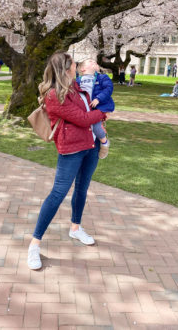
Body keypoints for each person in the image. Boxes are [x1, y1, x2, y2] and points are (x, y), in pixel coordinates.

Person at [27, 51, 108, 270]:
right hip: (71, 149)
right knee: (58, 193)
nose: (77, 66)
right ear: (66, 68)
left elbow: (90, 109)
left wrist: (98, 111)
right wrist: (101, 113)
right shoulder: (54, 95)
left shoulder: (77, 87)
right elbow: (83, 118)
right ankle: (35, 243)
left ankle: (75, 228)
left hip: (90, 146)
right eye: (74, 64)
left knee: (82, 188)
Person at [77, 58, 115, 159]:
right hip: (84, 110)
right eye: (90, 61)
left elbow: (108, 88)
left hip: (98, 108)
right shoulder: (78, 80)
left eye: (95, 62)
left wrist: (98, 99)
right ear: (82, 69)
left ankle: (105, 143)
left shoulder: (102, 78)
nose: (94, 62)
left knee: (96, 127)